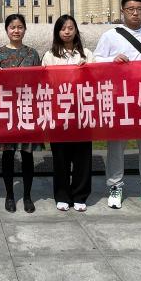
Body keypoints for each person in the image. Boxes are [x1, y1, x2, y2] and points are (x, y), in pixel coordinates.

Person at [93, 0, 141, 210]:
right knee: (116, 144)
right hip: (120, 97)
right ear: (122, 11)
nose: (135, 13)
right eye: (130, 9)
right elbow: (96, 60)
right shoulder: (110, 35)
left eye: (139, 9)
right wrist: (112, 59)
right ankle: (115, 186)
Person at [0, 14, 42, 213]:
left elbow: (38, 81)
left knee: (27, 155)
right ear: (6, 30)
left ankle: (27, 195)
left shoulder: (32, 53)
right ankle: (10, 195)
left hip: (27, 108)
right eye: (12, 27)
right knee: (8, 154)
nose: (16, 30)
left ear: (25, 29)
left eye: (20, 27)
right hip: (6, 109)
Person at [42, 14, 92, 212]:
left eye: (71, 28)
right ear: (57, 32)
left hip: (82, 111)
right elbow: (44, 82)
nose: (67, 32)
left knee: (82, 156)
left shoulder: (86, 54)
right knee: (60, 157)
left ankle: (80, 195)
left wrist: (87, 70)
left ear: (76, 31)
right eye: (63, 28)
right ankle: (62, 195)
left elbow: (98, 78)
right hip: (59, 111)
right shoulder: (50, 56)